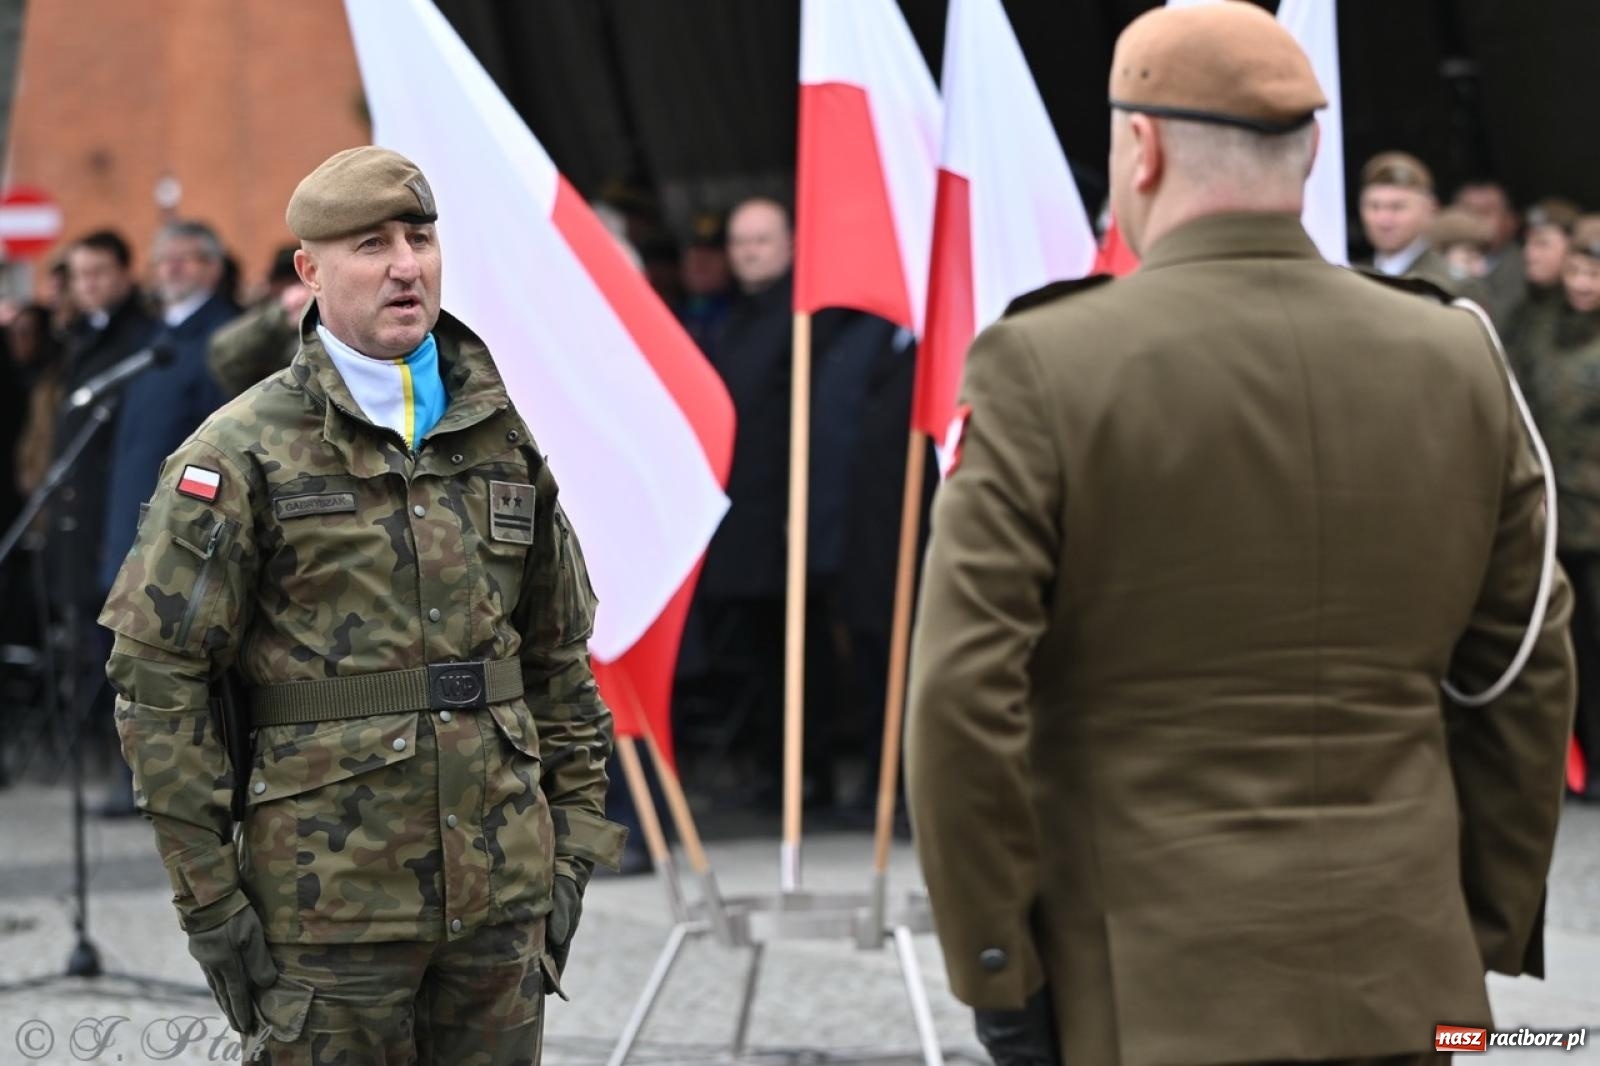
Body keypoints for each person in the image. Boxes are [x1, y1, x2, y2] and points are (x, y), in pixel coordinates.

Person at [905, 6, 1575, 1066]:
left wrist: (999, 969)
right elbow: (1523, 677)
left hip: (1150, 993)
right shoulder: (1453, 355)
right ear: (1309, 153)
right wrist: (1474, 930)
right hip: (1409, 978)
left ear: (1145, 145)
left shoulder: (1045, 363)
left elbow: (961, 692)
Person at [100, 146, 625, 1063]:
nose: (404, 265)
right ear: (309, 270)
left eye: (419, 237)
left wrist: (571, 846)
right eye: (370, 244)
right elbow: (159, 680)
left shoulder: (499, 436)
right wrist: (210, 899)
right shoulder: (243, 448)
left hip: (501, 901)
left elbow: (557, 660)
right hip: (328, 911)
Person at [1513, 214, 1600, 802]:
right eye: (1576, 267)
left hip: (1595, 513)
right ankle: (1581, 761)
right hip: (1556, 516)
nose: (1582, 281)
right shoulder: (1542, 327)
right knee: (1571, 649)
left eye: (1595, 272)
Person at [206, 246, 310, 399]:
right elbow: (225, 354)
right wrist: (281, 316)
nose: (297, 292)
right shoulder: (262, 314)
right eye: (290, 282)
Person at [1453, 179, 1526, 325]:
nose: (1474, 219)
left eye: (1486, 211)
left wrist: (1469, 277)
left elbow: (1500, 325)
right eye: (1467, 210)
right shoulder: (1438, 256)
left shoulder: (1523, 267)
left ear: (1510, 221)